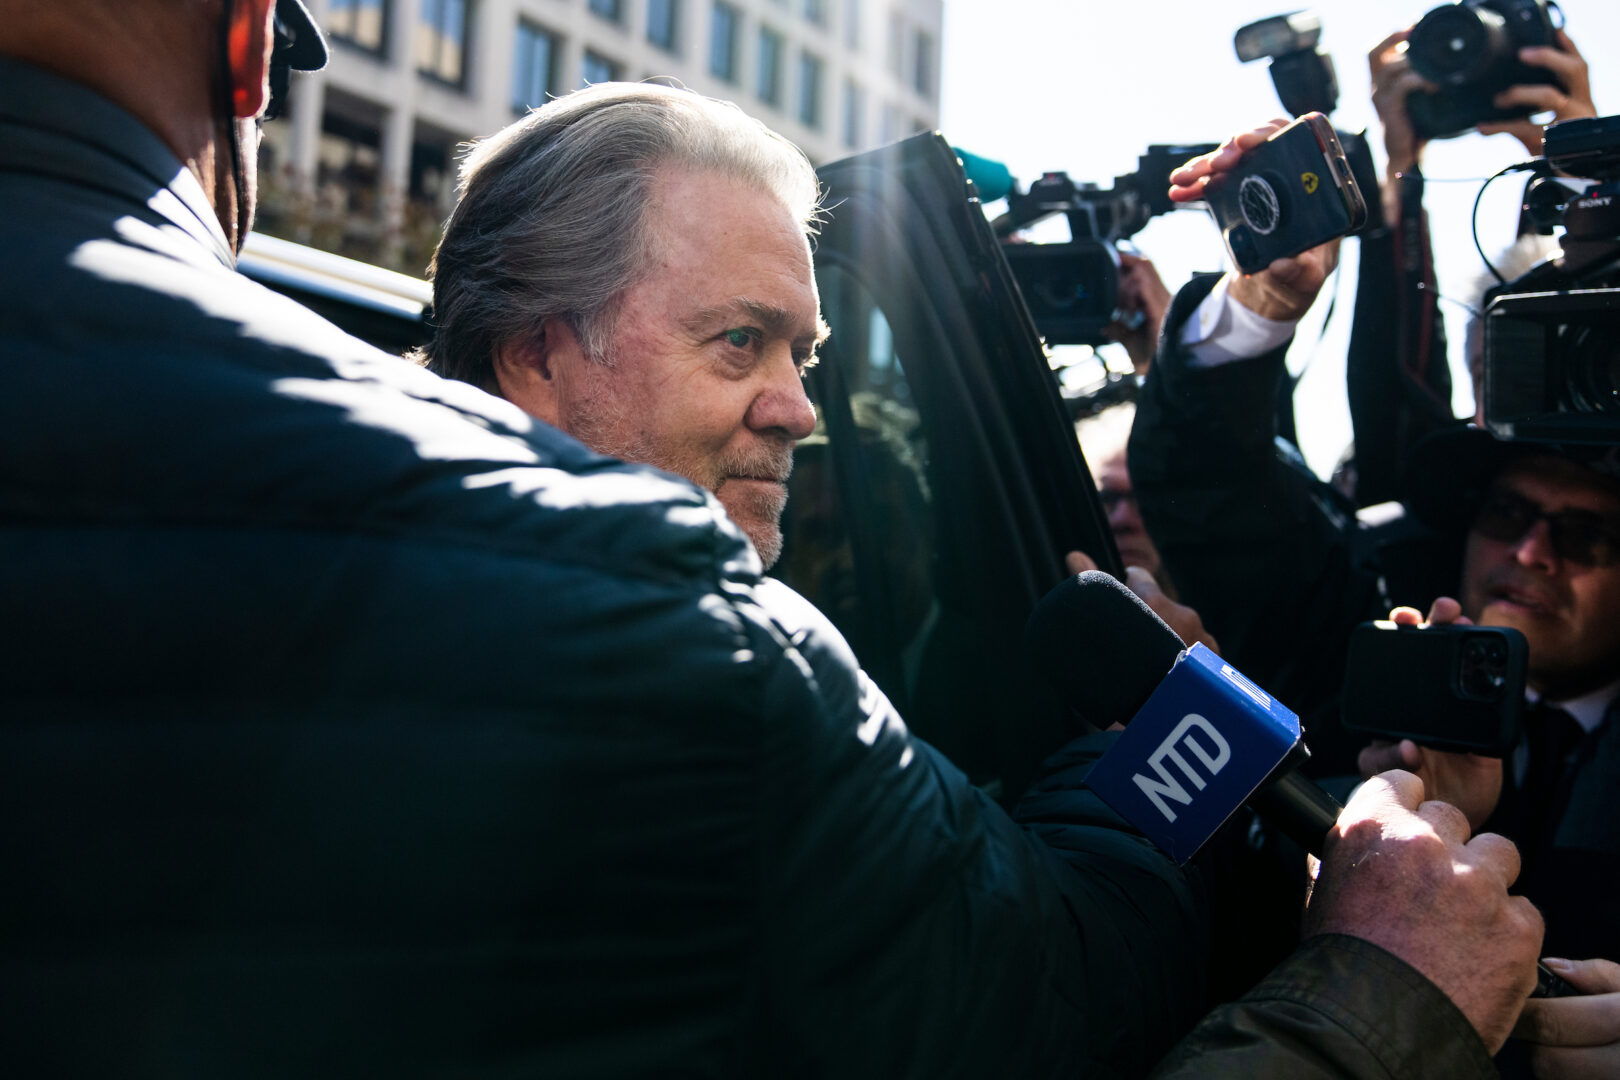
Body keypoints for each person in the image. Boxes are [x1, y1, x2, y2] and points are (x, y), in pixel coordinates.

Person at [0, 4, 1543, 1075]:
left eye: (806, 356)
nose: (799, 413)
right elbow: (1045, 995)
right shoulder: (654, 622)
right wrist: (1231, 818)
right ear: (535, 343)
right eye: (740, 345)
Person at [1133, 116, 1620, 1075]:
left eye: (1585, 534)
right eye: (1507, 510)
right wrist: (1266, 301)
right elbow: (1217, 495)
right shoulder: (1365, 662)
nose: (1529, 551)